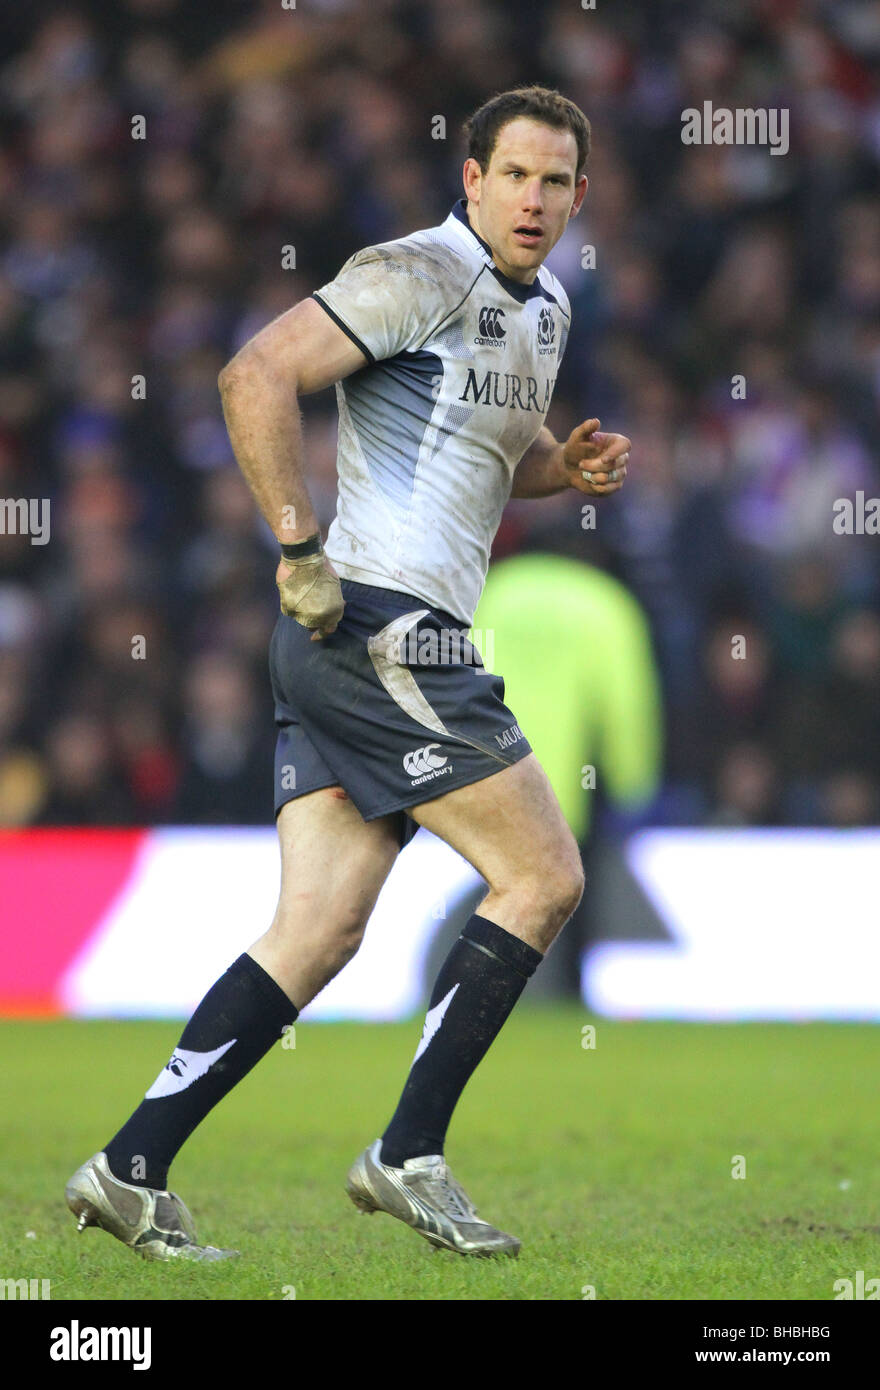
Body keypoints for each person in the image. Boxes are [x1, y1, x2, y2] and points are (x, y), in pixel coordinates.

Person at [65, 84, 631, 1261]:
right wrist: (294, 542)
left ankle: (129, 1167)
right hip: (380, 624)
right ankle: (408, 1154)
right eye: (512, 174)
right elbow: (253, 373)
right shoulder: (416, 270)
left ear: (580, 195)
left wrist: (559, 470)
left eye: (554, 181)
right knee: (541, 876)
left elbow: (497, 451)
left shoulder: (549, 310)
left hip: (362, 641)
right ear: (468, 178)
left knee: (318, 928)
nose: (532, 199)